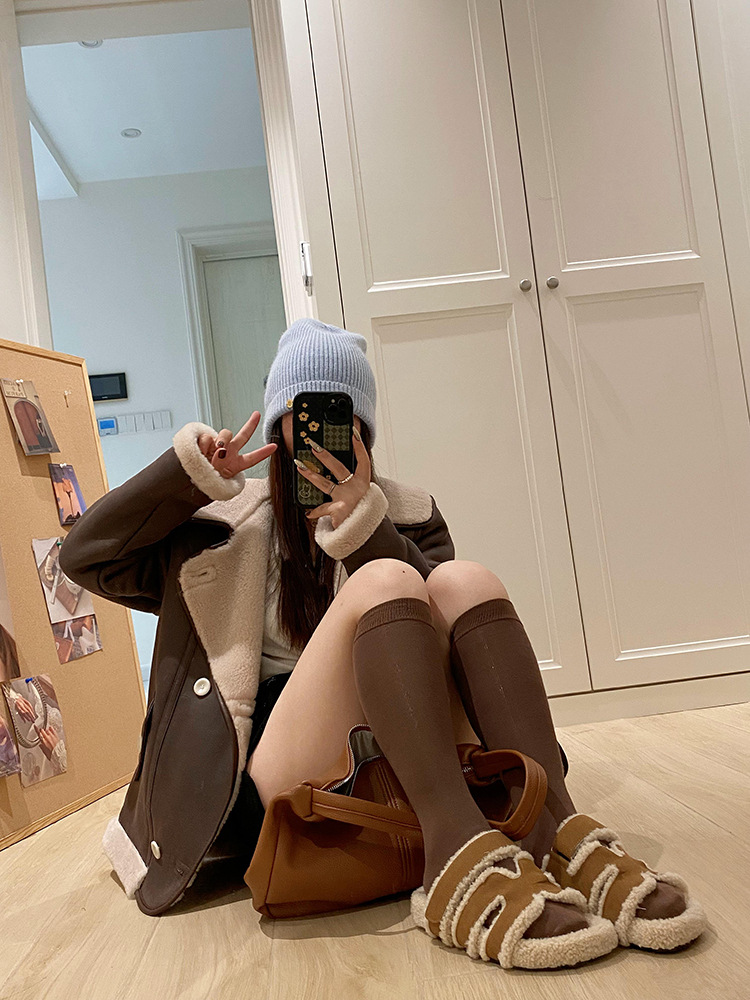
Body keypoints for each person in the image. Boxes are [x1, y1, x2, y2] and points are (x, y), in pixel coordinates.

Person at [60, 318, 706, 965]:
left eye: (340, 421)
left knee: (464, 579)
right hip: (277, 773)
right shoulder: (222, 524)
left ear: (363, 432)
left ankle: (554, 826)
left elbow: (447, 645)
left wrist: (367, 527)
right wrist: (188, 477)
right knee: (387, 580)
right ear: (280, 427)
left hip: (401, 747)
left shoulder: (409, 512)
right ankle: (452, 853)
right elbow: (84, 557)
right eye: (303, 418)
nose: (319, 437)